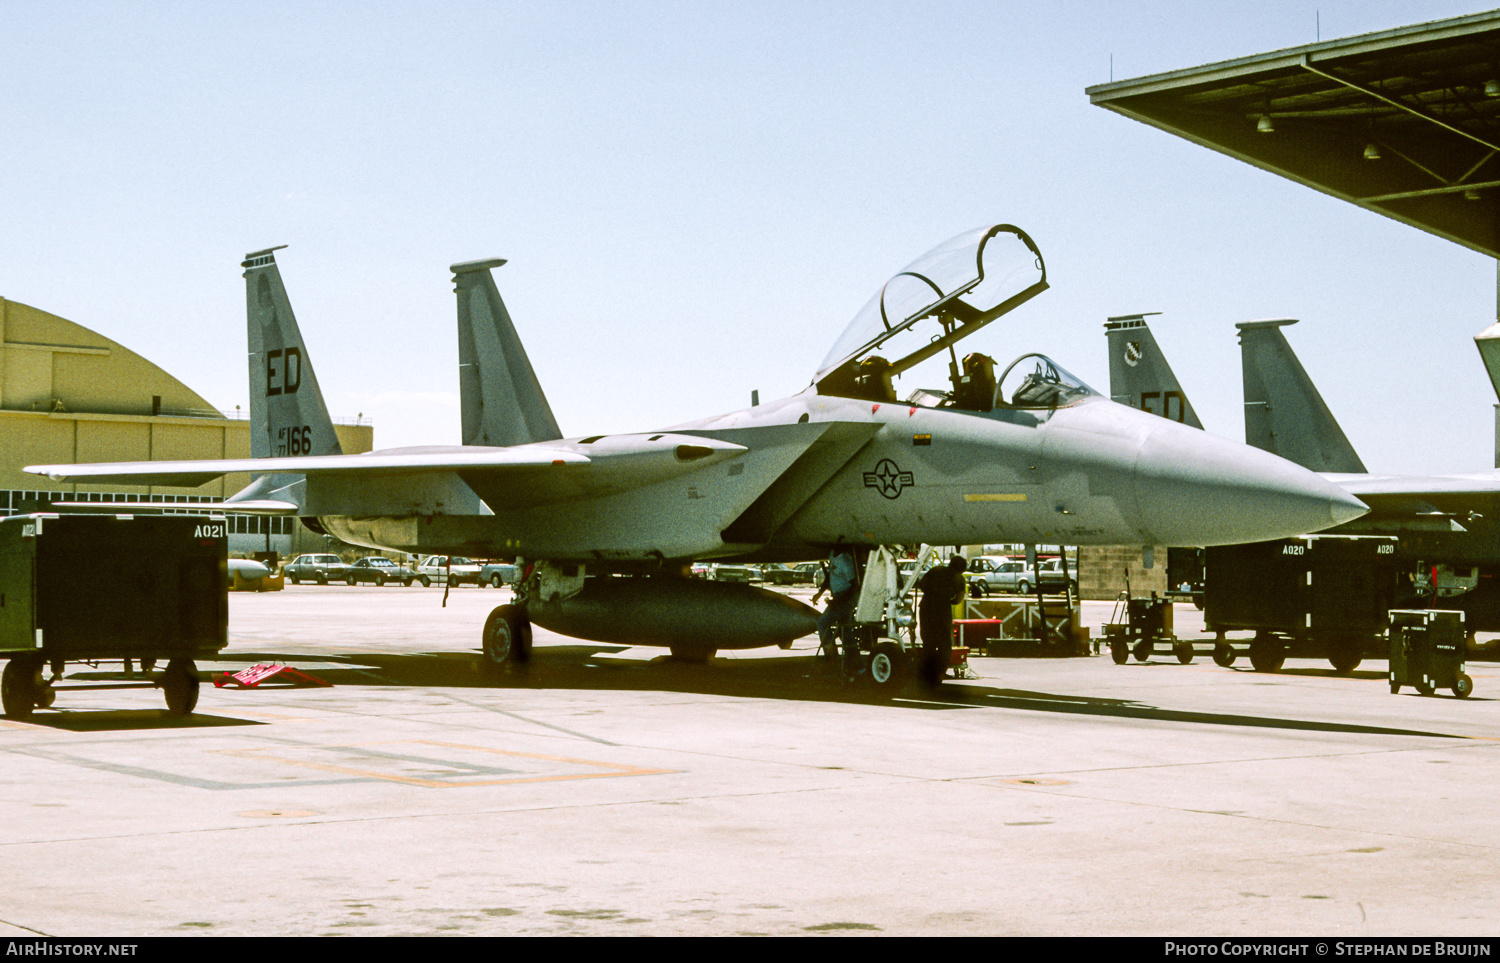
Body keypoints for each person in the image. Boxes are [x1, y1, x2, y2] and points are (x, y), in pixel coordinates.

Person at [918, 554, 968, 687]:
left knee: (928, 642)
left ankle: (926, 674)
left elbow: (922, 584)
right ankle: (939, 674)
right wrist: (947, 599)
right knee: (944, 645)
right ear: (962, 569)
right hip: (941, 610)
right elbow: (958, 598)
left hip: (926, 607)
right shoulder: (958, 577)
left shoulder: (935, 570)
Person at [814, 544, 860, 677]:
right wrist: (819, 593)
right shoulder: (832, 554)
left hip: (847, 598)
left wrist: (838, 602)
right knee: (846, 632)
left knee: (822, 623)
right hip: (838, 596)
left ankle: (832, 657)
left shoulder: (846, 561)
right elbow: (830, 576)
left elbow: (855, 586)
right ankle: (857, 665)